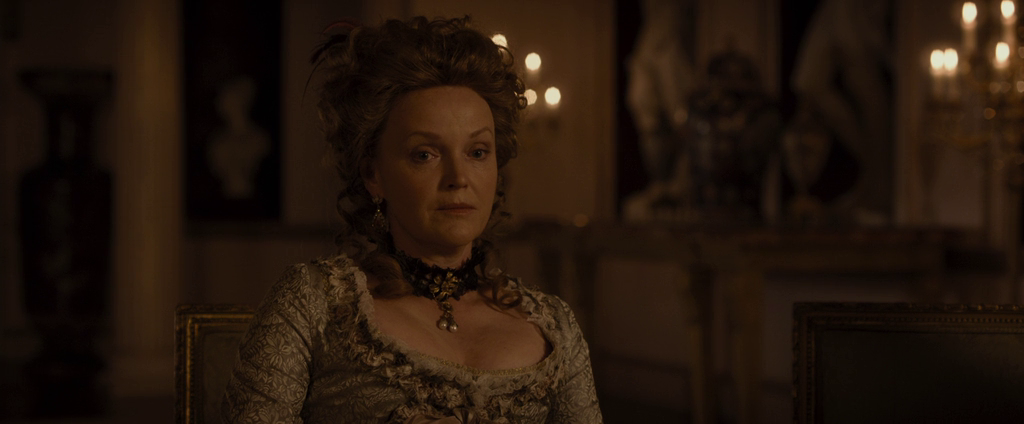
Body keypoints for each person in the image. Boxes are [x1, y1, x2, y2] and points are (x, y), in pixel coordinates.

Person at [221, 16, 603, 423]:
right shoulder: (313, 303)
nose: (458, 179)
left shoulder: (554, 325)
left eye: (477, 152)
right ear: (373, 174)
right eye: (425, 155)